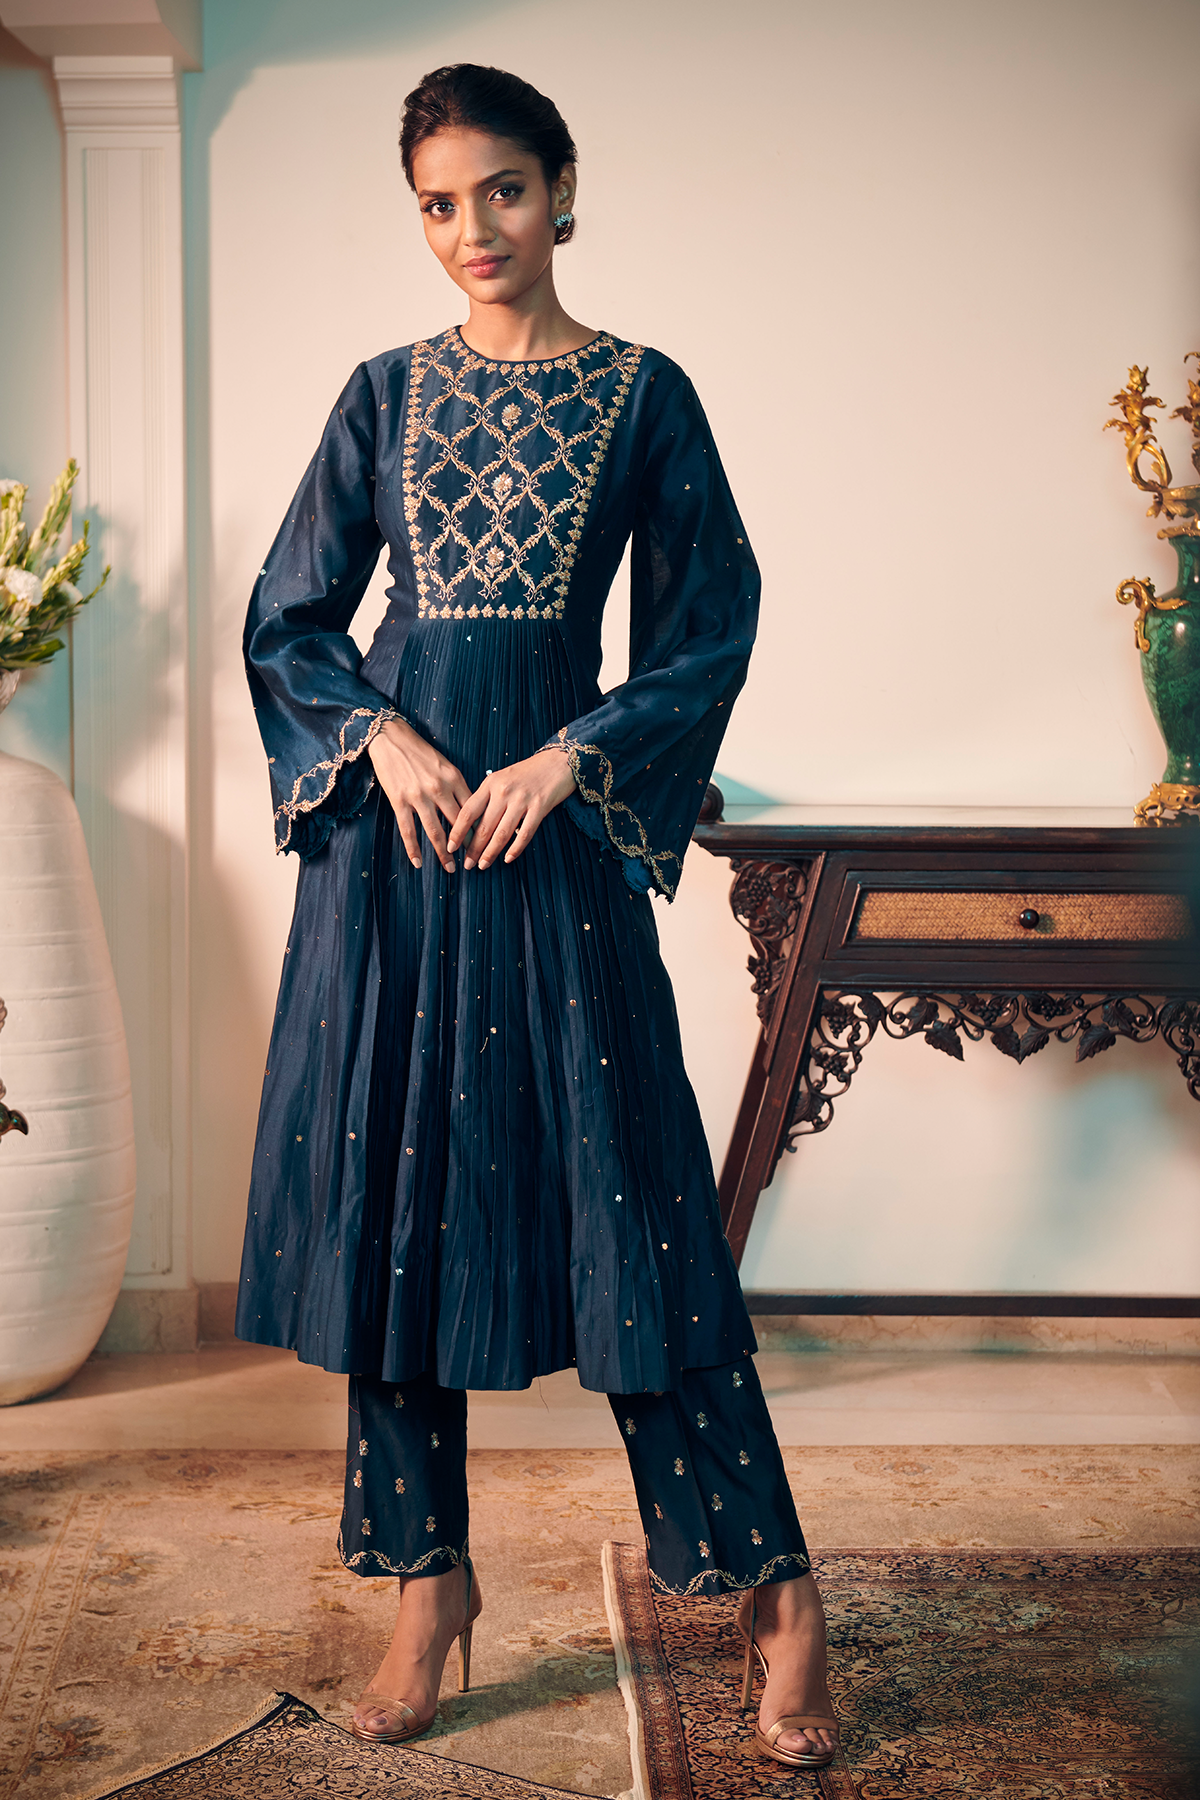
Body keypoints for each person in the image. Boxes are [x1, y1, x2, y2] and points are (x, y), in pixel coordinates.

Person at [237, 61, 838, 1772]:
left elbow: (710, 625)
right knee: (395, 1216)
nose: (471, 229)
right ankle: (426, 1585)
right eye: (437, 202)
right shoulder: (382, 395)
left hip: (554, 850)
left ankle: (776, 1596)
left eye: (501, 189)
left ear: (561, 190)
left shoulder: (645, 395)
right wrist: (380, 737)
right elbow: (289, 618)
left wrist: (577, 761)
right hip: (399, 862)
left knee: (635, 1214)